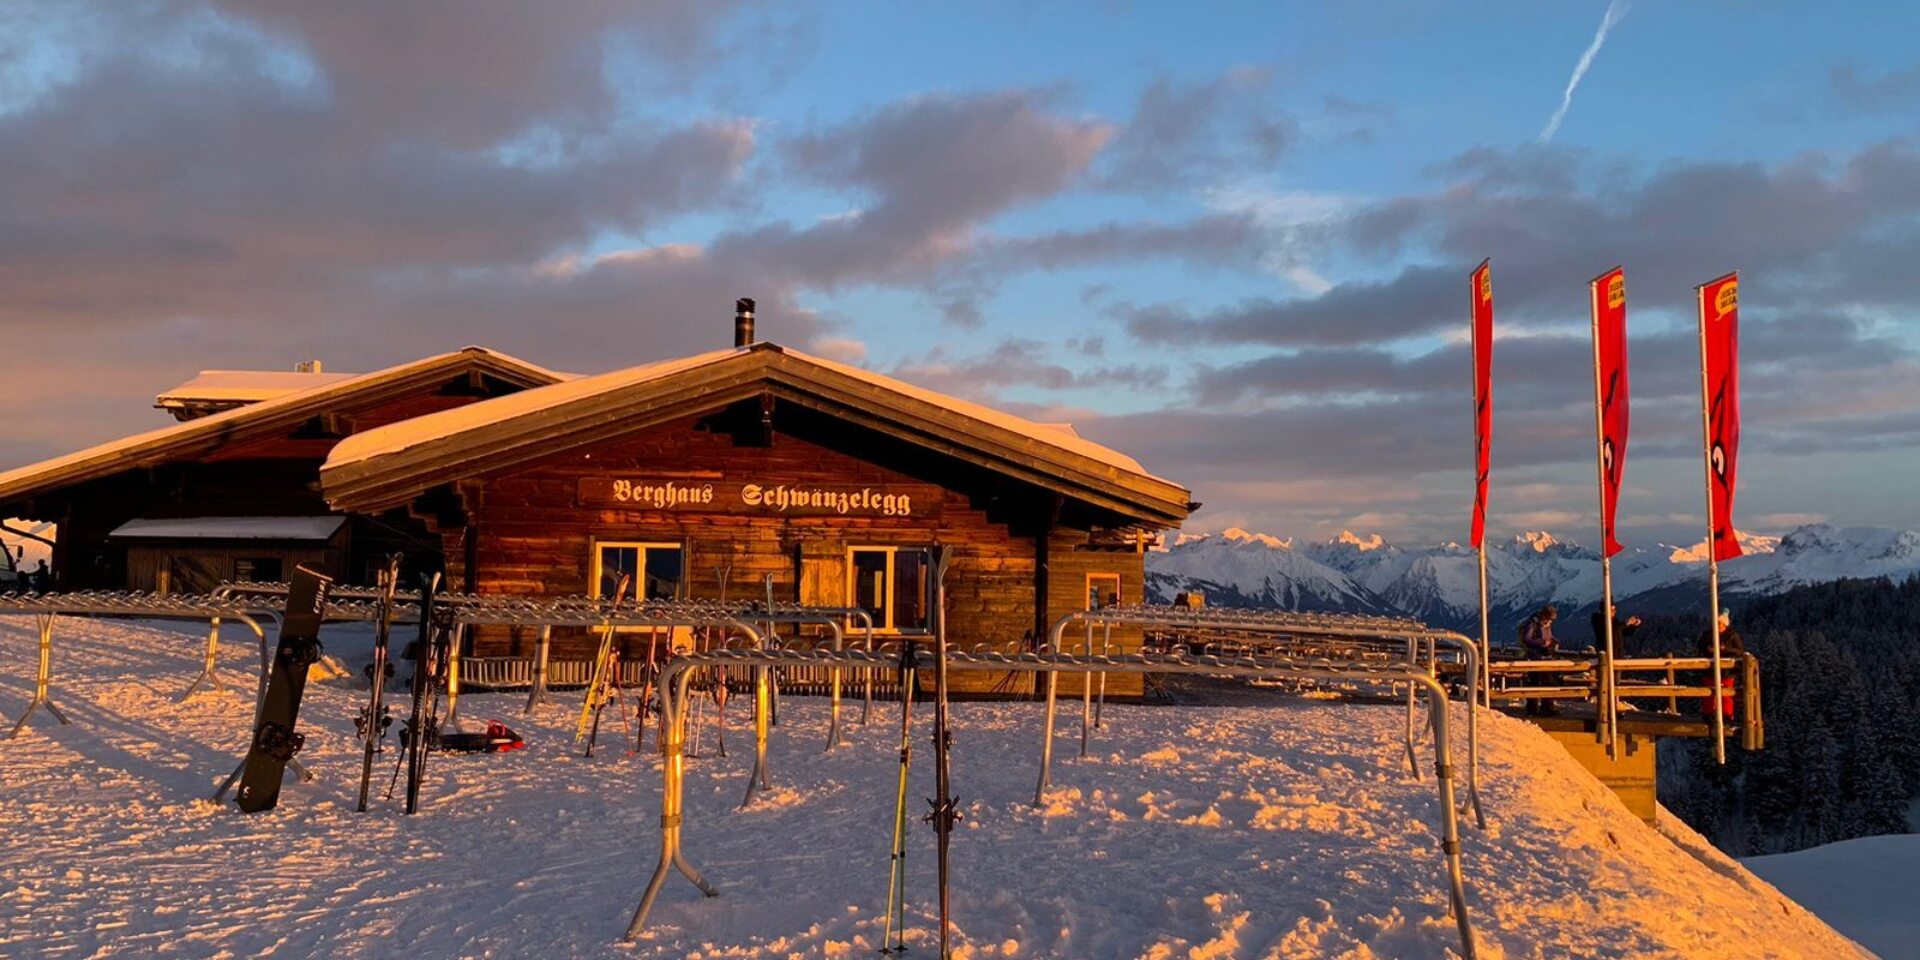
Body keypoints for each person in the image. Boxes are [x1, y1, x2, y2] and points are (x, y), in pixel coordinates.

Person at [1696, 610, 1744, 722]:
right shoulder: (1708, 634)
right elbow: (1700, 646)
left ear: (1724, 623)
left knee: (1726, 694)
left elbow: (1739, 651)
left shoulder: (1732, 635)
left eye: (1719, 622)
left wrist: (1725, 649)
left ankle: (1727, 716)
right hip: (1710, 670)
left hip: (1727, 671)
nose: (1716, 625)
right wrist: (1708, 649)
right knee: (1708, 693)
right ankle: (1708, 715)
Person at [1519, 605, 1560, 716]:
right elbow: (1527, 638)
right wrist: (1542, 643)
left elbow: (1549, 636)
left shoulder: (1545, 624)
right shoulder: (1533, 623)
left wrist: (1553, 641)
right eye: (1549, 618)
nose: (1550, 621)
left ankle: (1547, 706)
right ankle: (1533, 708)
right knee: (1534, 682)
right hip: (1535, 656)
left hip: (1545, 656)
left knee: (1548, 682)